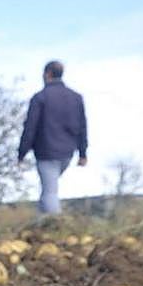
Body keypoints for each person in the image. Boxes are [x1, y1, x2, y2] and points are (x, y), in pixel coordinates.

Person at [17, 60, 87, 215]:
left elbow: (30, 127)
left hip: (46, 152)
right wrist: (83, 153)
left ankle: (55, 225)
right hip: (67, 153)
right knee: (48, 189)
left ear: (47, 74)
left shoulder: (40, 98)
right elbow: (83, 127)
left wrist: (21, 153)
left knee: (50, 192)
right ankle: (40, 229)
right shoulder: (76, 98)